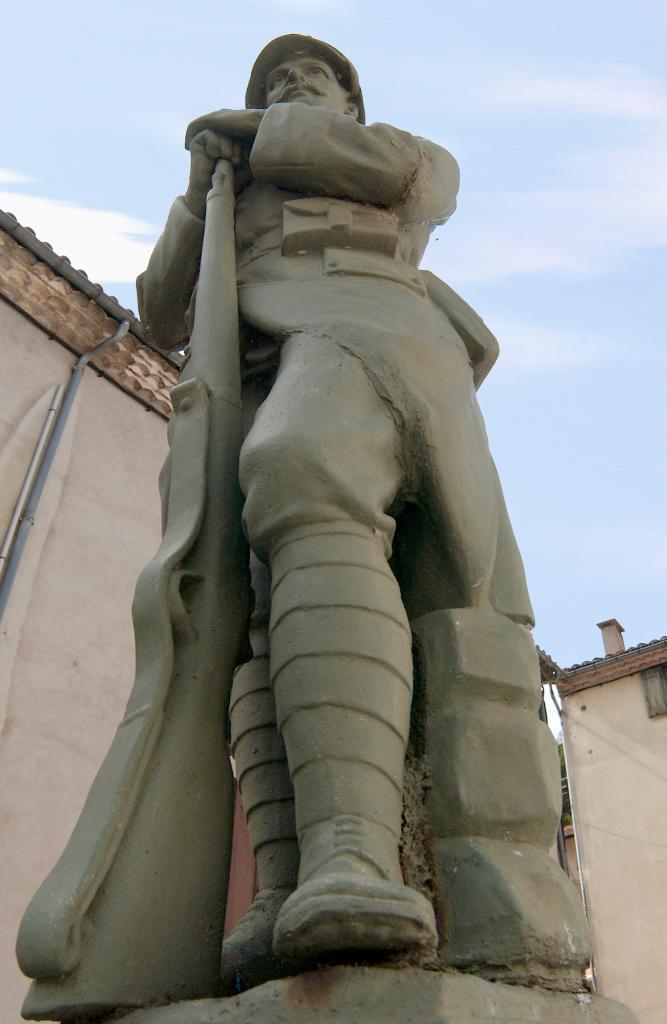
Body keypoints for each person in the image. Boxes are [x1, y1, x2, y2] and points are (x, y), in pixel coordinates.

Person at [137, 34, 535, 988]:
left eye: (310, 78)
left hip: (369, 325)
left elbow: (412, 180)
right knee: (261, 626)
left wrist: (258, 130)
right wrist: (201, 195)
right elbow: (159, 309)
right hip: (253, 375)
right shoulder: (229, 192)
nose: (289, 86)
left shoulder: (391, 151)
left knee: (304, 463)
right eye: (274, 80)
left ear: (348, 101)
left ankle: (357, 852)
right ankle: (293, 881)